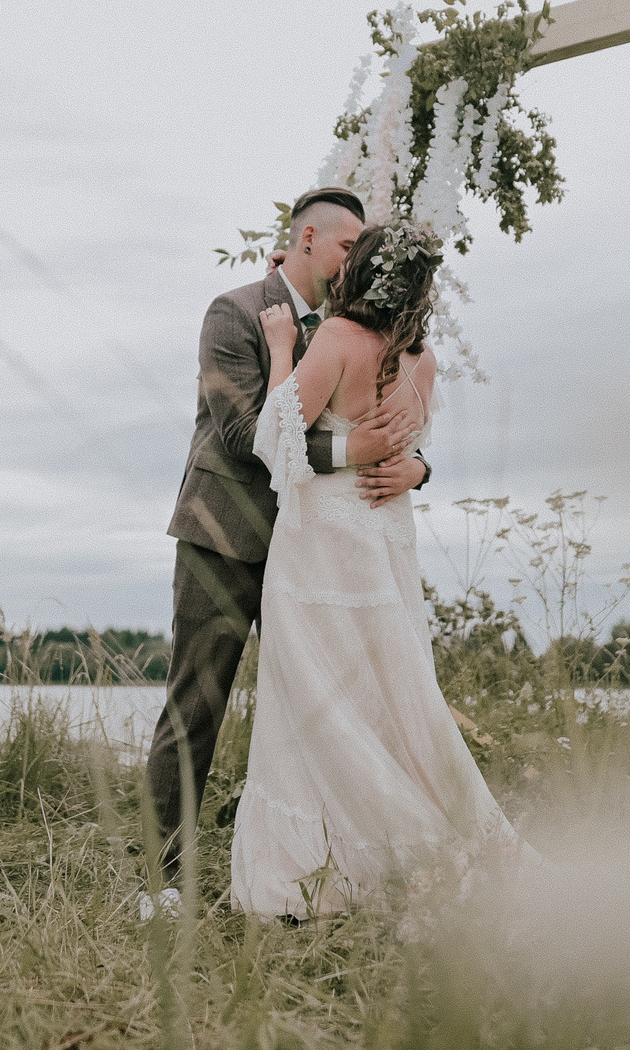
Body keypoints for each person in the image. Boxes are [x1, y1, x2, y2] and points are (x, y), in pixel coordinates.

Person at [143, 187, 429, 910]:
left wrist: (419, 465)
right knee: (196, 705)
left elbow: (395, 413)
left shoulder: (349, 327)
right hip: (226, 538)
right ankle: (161, 876)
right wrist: (354, 447)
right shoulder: (234, 312)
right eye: (345, 244)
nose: (354, 257)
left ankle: (310, 866)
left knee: (317, 713)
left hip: (316, 552)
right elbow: (247, 436)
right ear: (307, 238)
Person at [229, 214, 518, 919]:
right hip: (384, 544)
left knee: (315, 699)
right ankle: (403, 847)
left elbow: (276, 436)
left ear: (364, 273)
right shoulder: (424, 362)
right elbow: (405, 448)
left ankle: (322, 866)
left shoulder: (333, 338)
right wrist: (415, 467)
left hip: (322, 544)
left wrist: (277, 348)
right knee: (387, 693)